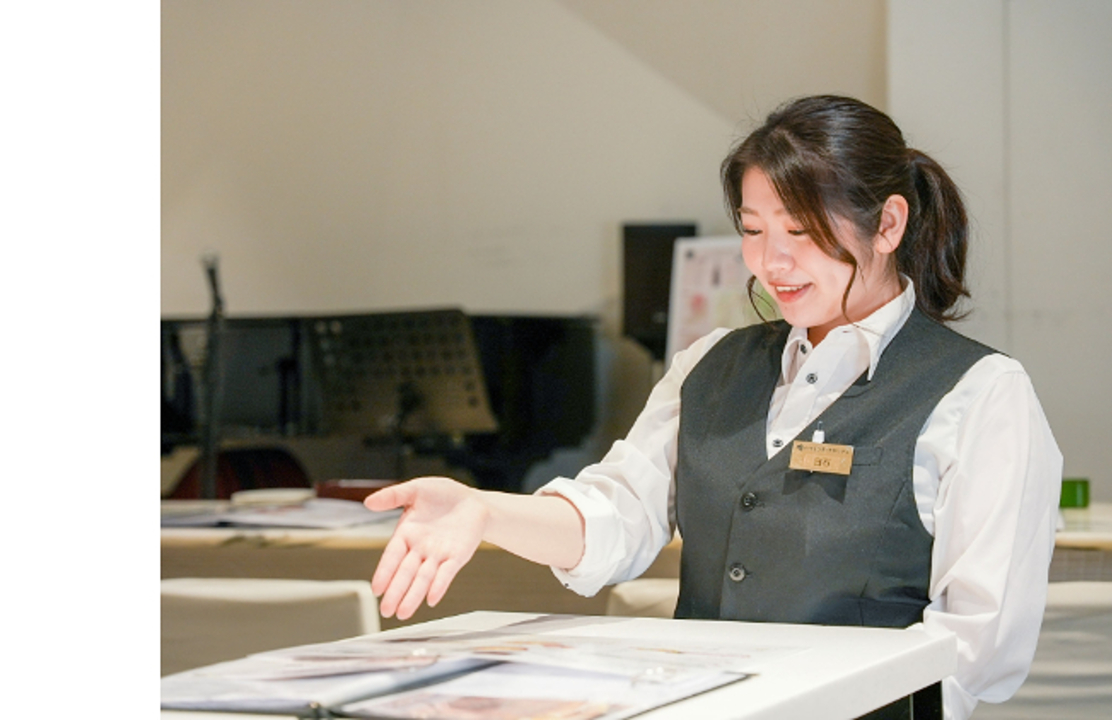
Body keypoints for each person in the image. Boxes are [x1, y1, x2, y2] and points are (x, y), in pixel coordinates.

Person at [364, 95, 1062, 720]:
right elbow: (616, 517)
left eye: (801, 231)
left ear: (888, 224)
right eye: (754, 231)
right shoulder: (711, 365)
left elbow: (976, 643)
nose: (771, 263)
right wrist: (488, 510)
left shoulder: (983, 394)